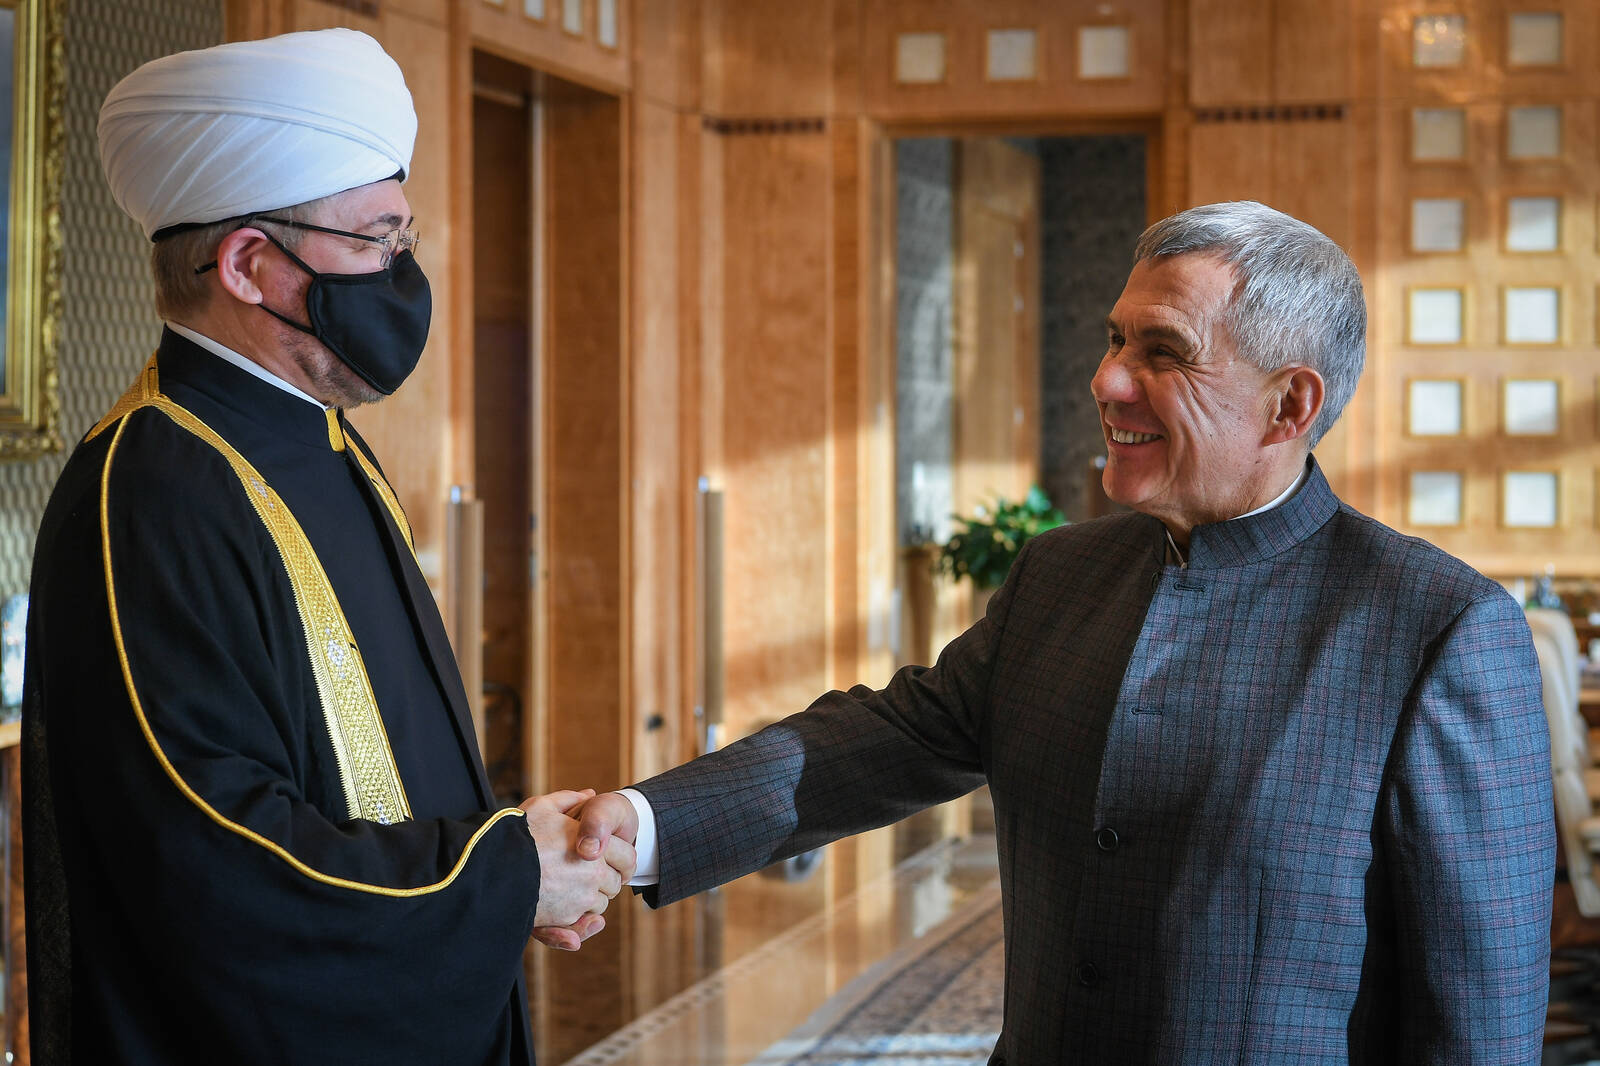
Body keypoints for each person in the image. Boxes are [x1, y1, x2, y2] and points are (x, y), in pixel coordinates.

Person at [563, 202, 1555, 1063]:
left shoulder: (1434, 630)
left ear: (1289, 404)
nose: (1108, 380)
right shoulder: (1061, 572)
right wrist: (642, 824)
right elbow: (885, 740)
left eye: (1162, 352)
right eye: (1115, 340)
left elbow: (1477, 1021)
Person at [23, 29, 629, 1065]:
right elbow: (214, 861)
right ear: (248, 265)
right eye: (375, 241)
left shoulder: (326, 438)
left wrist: (512, 861)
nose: (402, 274)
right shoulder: (150, 488)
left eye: (404, 238)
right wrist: (501, 875)